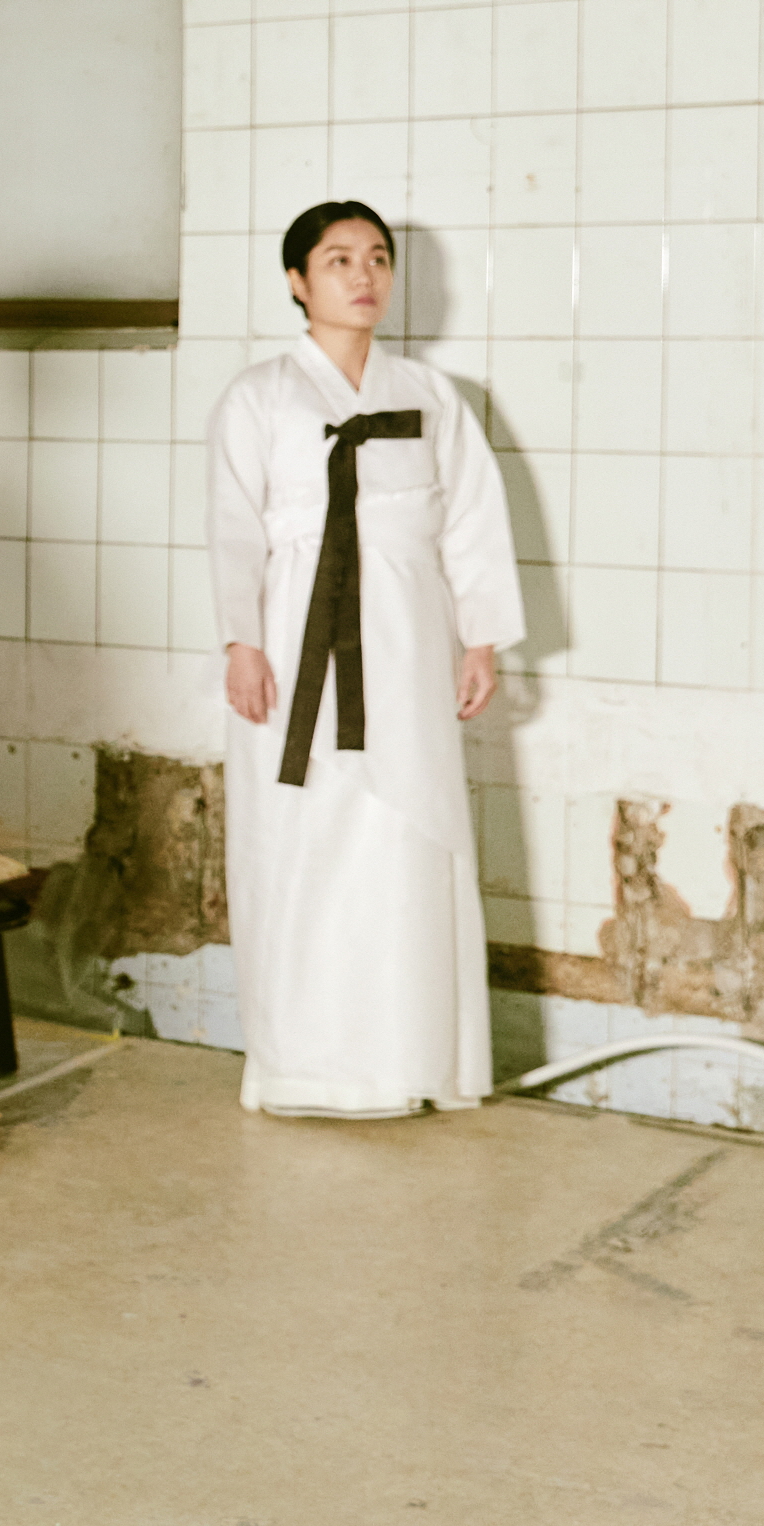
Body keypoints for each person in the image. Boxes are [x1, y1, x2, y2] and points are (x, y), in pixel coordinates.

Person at [207, 202, 524, 1118]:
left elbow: (471, 521)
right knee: (299, 831)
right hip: (294, 643)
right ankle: (303, 1065)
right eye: (338, 259)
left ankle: (412, 1062)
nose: (363, 276)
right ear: (297, 281)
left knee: (403, 836)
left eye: (377, 258)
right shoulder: (259, 396)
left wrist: (479, 638)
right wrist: (241, 640)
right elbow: (231, 525)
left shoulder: (430, 396)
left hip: (407, 639)